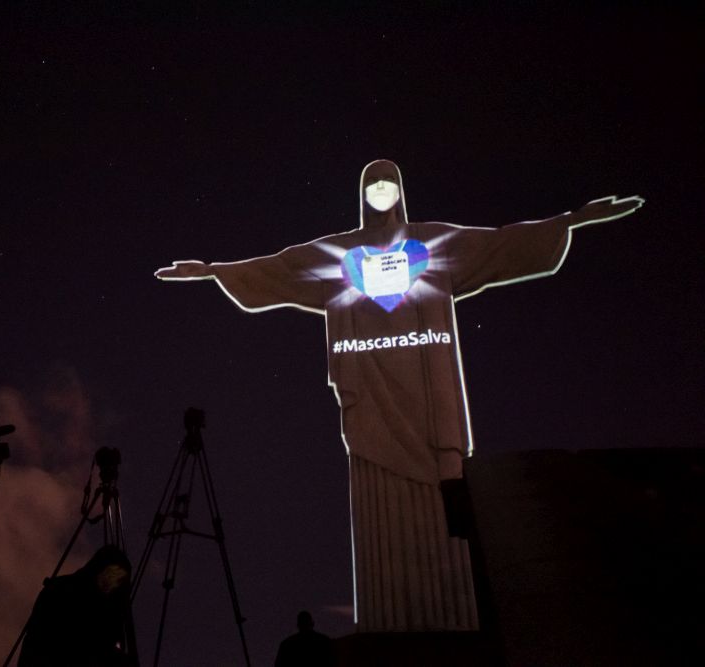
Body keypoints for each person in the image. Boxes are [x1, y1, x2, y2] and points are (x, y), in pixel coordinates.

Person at [157, 160, 643, 631]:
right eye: (374, 186)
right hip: (369, 393)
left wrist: (573, 220)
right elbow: (283, 266)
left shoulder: (431, 242)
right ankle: (389, 614)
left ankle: (451, 616)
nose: (382, 193)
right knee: (379, 506)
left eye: (389, 184)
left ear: (401, 191)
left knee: (445, 509)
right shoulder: (340, 254)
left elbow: (499, 244)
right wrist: (213, 270)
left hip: (428, 395)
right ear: (363, 194)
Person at [18, 545, 135, 667]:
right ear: (99, 569)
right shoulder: (62, 591)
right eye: (111, 575)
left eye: (118, 580)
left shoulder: (110, 614)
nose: (112, 583)